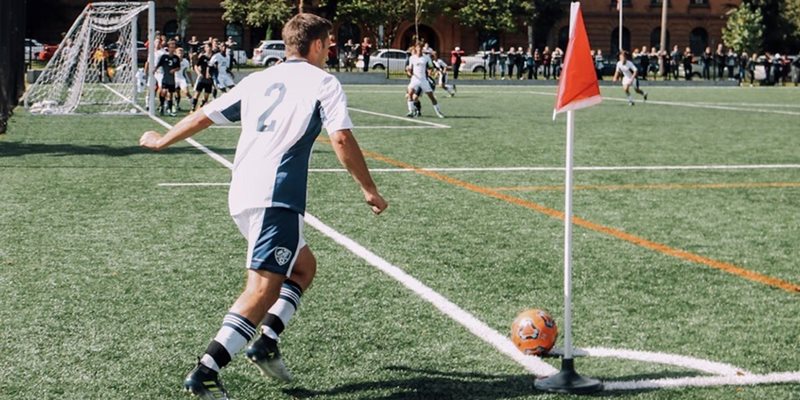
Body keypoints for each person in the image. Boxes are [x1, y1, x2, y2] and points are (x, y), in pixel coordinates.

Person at [139, 13, 387, 400]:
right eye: (329, 44)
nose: (330, 51)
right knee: (261, 289)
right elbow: (340, 139)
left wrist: (162, 140)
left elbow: (204, 115)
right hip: (275, 196)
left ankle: (266, 340)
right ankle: (206, 371)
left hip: (243, 191)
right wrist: (369, 188)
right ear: (318, 45)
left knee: (303, 267)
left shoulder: (257, 79)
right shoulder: (323, 82)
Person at [406, 43, 444, 118]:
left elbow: (431, 67)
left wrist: (430, 71)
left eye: (421, 48)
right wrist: (409, 71)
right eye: (418, 48)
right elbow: (410, 69)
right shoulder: (412, 58)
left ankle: (438, 112)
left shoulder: (426, 58)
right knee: (410, 94)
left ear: (422, 49)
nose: (419, 49)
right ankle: (411, 111)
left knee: (431, 97)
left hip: (423, 80)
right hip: (415, 79)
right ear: (416, 49)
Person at [155, 40, 181, 116]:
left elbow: (178, 67)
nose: (172, 49)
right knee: (163, 92)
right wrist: (155, 70)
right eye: (171, 47)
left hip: (172, 79)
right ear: (168, 48)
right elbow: (159, 64)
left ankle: (169, 109)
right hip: (165, 78)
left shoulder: (176, 58)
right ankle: (162, 105)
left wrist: (174, 70)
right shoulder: (164, 56)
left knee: (170, 94)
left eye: (174, 47)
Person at [191, 43, 214, 111]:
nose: (209, 48)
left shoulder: (214, 57)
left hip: (209, 79)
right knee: (197, 93)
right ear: (205, 48)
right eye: (207, 47)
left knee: (206, 96)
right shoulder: (203, 57)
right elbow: (196, 66)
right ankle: (193, 108)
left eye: (210, 47)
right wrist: (199, 73)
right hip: (202, 78)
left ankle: (200, 107)